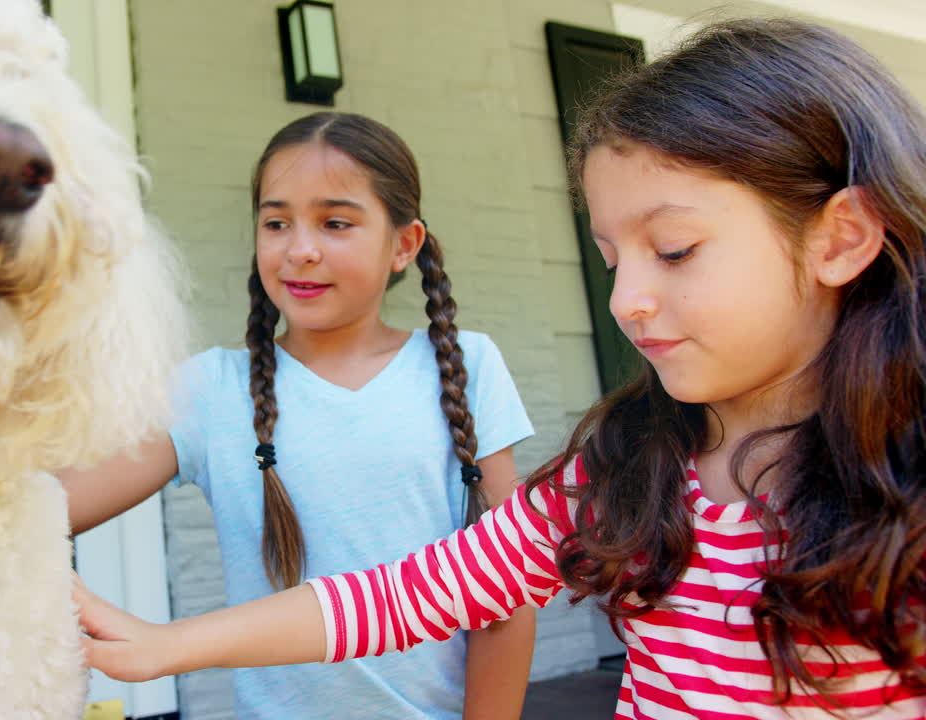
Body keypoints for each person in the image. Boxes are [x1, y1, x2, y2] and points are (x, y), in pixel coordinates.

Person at [71, 18, 926, 720]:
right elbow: (417, 591)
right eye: (610, 259)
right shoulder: (628, 461)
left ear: (841, 238)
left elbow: (491, 616)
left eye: (672, 250)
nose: (627, 299)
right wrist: (162, 646)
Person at [58, 112, 537, 719]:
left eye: (335, 223)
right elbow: (39, 513)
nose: (300, 250)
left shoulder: (468, 365)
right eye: (276, 222)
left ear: (404, 245)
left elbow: (506, 591)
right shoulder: (210, 389)